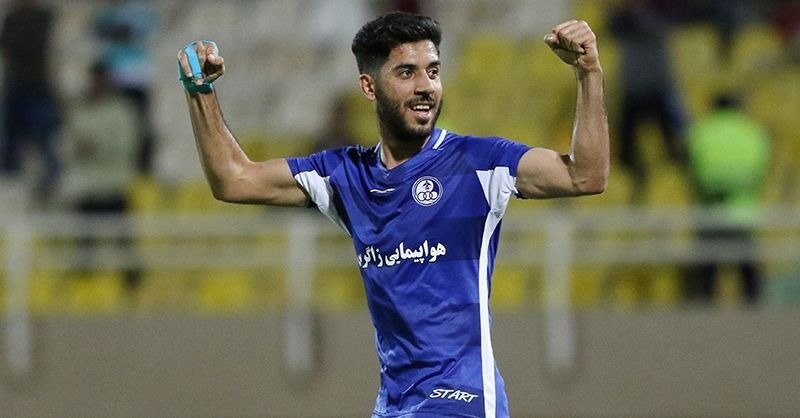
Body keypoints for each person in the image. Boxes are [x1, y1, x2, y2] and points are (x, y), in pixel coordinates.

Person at [177, 12, 608, 417]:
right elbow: (234, 180)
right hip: (395, 405)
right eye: (407, 73)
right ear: (369, 87)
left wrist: (588, 71)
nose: (426, 86)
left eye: (433, 71)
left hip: (462, 400)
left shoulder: (479, 162)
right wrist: (200, 91)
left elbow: (586, 175)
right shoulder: (346, 176)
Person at [58, 60, 142, 293]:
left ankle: (132, 286)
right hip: (87, 186)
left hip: (114, 185)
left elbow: (128, 144)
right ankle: (82, 289)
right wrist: (76, 148)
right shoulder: (79, 109)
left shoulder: (121, 109)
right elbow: (65, 144)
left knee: (124, 241)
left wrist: (96, 147)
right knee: (84, 245)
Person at [684, 93, 770, 305]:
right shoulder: (754, 132)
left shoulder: (700, 132)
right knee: (748, 276)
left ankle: (704, 317)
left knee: (707, 276)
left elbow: (694, 170)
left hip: (710, 212)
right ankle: (756, 316)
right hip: (743, 213)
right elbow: (760, 171)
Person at [607, 0, 687, 199]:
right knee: (625, 149)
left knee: (673, 145)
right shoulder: (625, 23)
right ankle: (634, 181)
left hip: (656, 89)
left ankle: (675, 183)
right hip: (633, 90)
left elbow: (658, 26)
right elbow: (611, 27)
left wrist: (633, 14)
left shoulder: (657, 16)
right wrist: (623, 14)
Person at [0, 0, 61, 203]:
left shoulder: (44, 17)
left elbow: (28, 45)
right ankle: (10, 175)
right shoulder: (11, 19)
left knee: (44, 135)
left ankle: (52, 175)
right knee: (9, 136)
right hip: (15, 85)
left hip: (38, 86)